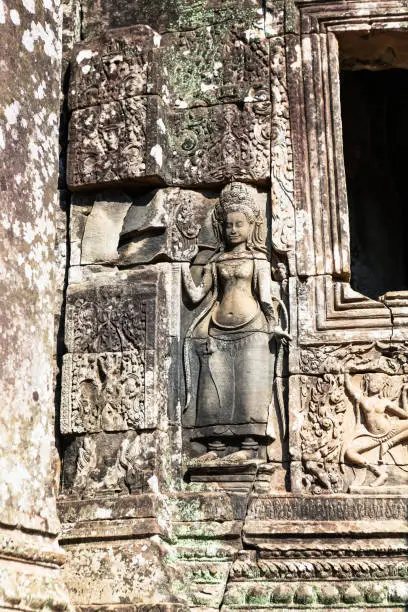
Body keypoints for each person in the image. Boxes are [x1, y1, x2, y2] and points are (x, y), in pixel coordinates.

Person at [182, 182, 289, 461]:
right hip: (218, 328)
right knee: (214, 387)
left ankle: (249, 446)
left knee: (248, 386)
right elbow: (196, 295)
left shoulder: (259, 261)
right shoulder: (216, 261)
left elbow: (265, 298)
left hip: (253, 329)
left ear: (252, 226)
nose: (233, 230)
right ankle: (215, 446)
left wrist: (274, 325)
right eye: (228, 224)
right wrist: (180, 264)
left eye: (239, 224)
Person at [344, 372, 408, 486]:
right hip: (372, 436)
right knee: (349, 453)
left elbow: (406, 415)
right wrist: (345, 373)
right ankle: (379, 473)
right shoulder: (362, 399)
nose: (375, 385)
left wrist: (403, 394)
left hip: (390, 429)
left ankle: (389, 443)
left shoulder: (385, 402)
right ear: (368, 382)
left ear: (383, 385)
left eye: (379, 382)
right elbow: (350, 389)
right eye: (373, 381)